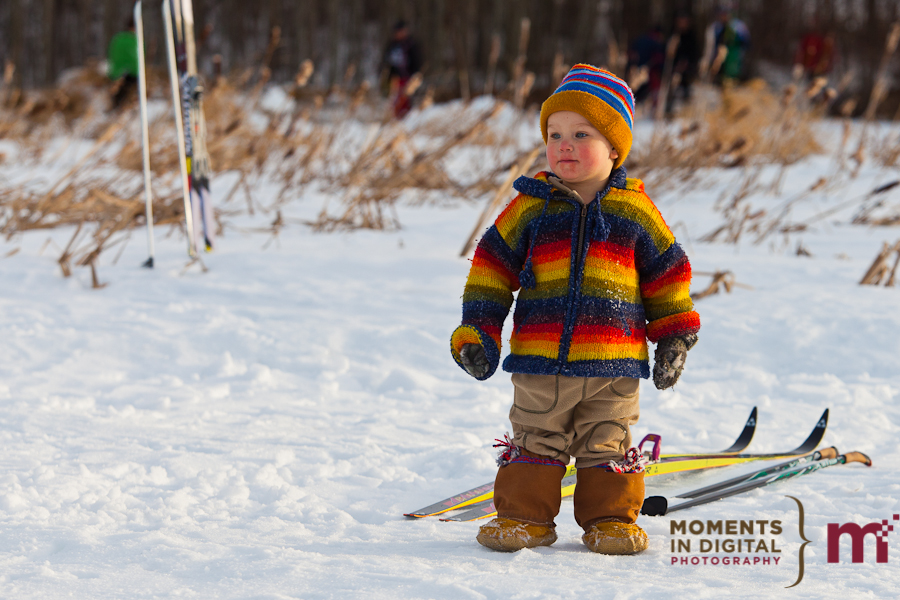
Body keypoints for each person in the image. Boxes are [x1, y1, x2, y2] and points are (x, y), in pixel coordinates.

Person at [449, 64, 701, 555]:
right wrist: (478, 331)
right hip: (540, 363)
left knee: (607, 443)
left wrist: (674, 335)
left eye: (581, 134)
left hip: (613, 366)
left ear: (615, 148)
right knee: (535, 439)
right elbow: (490, 270)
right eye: (555, 134)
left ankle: (611, 521)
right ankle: (524, 518)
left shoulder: (635, 211)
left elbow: (668, 275)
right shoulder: (530, 207)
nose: (564, 145)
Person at [382, 20, 422, 119]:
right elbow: (387, 61)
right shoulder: (392, 45)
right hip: (394, 79)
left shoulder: (411, 44)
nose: (399, 34)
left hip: (407, 77)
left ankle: (407, 119)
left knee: (406, 100)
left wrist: (415, 75)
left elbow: (416, 60)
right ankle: (395, 119)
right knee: (395, 101)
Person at [703, 5, 750, 83]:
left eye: (725, 15)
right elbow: (714, 43)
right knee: (720, 69)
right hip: (721, 54)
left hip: (734, 54)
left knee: (733, 72)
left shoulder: (737, 27)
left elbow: (746, 41)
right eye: (722, 15)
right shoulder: (717, 27)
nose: (724, 17)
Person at [107, 16, 140, 110]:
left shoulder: (117, 38)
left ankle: (115, 106)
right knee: (126, 93)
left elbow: (110, 53)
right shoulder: (135, 40)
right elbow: (138, 60)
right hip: (130, 74)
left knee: (117, 93)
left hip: (115, 72)